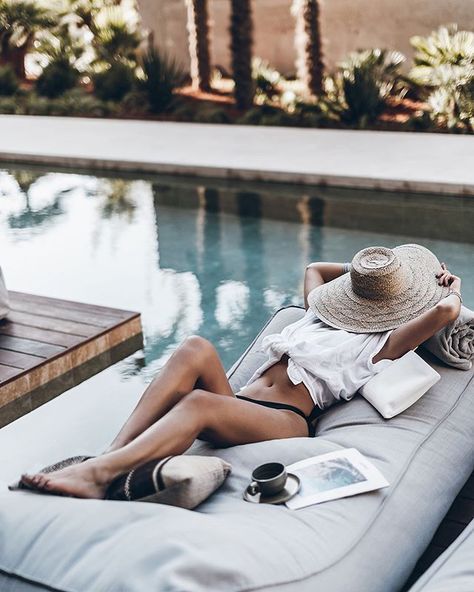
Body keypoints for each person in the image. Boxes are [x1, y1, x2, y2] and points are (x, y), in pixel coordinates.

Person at [20, 244, 462, 499]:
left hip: (288, 423)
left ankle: (97, 477)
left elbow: (444, 310)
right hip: (243, 403)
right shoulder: (319, 312)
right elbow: (314, 268)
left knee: (197, 403)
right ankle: (110, 453)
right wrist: (360, 275)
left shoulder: (379, 345)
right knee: (195, 347)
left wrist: (449, 284)